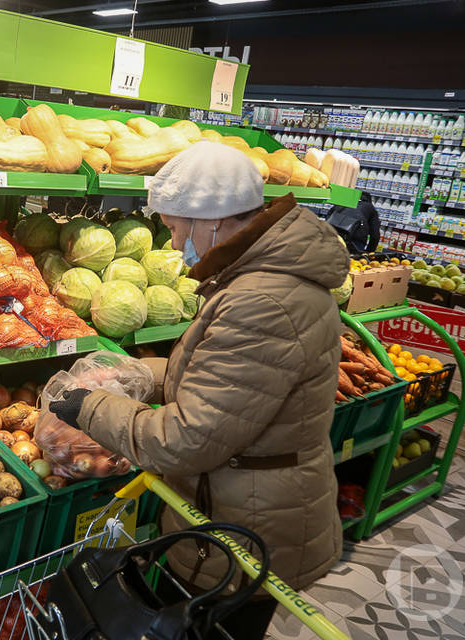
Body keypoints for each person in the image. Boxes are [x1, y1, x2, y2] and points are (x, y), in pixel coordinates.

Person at [50, 141, 349, 639]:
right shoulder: (258, 280)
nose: (172, 244)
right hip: (238, 506)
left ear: (211, 220)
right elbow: (219, 377)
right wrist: (142, 373)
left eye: (174, 227)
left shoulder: (263, 301)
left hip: (248, 524)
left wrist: (90, 406)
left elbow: (186, 438)